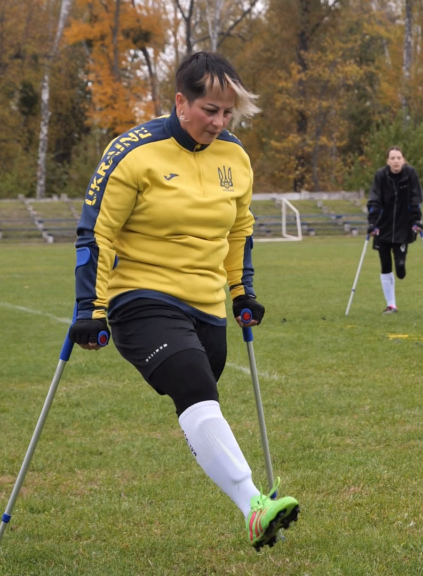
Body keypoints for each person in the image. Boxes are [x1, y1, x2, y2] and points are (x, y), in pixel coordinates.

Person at [67, 51, 298, 550]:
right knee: (194, 383)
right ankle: (255, 506)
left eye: (227, 112)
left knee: (199, 393)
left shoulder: (235, 156)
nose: (219, 122)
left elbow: (240, 230)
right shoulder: (133, 152)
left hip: (207, 305)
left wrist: (242, 291)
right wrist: (91, 309)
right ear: (180, 101)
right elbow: (96, 233)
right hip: (139, 298)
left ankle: (252, 503)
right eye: (210, 110)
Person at [367, 146, 423, 314]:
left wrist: (417, 220)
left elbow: (416, 197)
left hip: (403, 227)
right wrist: (372, 223)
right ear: (388, 161)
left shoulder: (410, 174)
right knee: (385, 265)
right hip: (382, 227)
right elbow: (374, 198)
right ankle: (391, 304)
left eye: (399, 157)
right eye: (392, 158)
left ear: (403, 159)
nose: (396, 161)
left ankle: (401, 265)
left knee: (400, 268)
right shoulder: (380, 175)